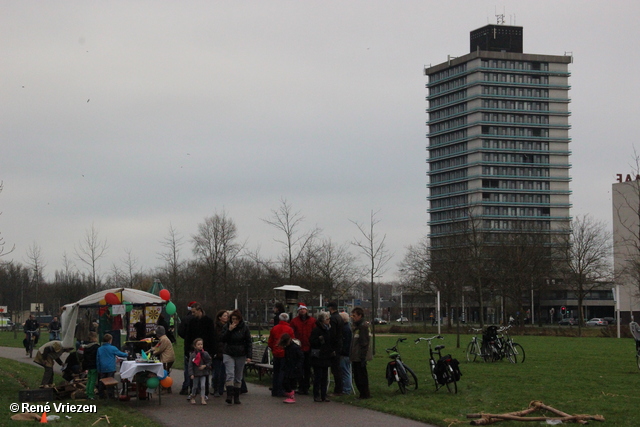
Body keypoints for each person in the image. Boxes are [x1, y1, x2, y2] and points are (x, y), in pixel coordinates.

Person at [183, 303, 216, 398]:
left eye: (194, 312)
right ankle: (193, 391)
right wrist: (187, 350)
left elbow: (212, 337)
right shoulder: (192, 322)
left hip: (206, 350)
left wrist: (212, 351)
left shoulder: (208, 321)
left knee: (204, 371)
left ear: (199, 311)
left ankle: (204, 392)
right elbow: (188, 337)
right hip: (194, 350)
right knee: (193, 370)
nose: (192, 314)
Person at [219, 309, 252, 405]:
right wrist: (229, 330)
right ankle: (229, 395)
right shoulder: (226, 326)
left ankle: (236, 397)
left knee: (238, 376)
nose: (234, 321)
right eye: (233, 319)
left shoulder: (244, 328)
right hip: (229, 352)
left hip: (240, 353)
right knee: (230, 374)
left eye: (236, 319)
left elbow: (248, 342)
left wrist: (249, 355)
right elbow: (222, 339)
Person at [290, 303, 315, 395]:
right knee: (299, 368)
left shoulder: (312, 321)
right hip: (298, 348)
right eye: (301, 310)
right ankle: (301, 386)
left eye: (304, 309)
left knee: (307, 368)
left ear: (306, 310)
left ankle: (306, 386)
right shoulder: (294, 321)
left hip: (308, 347)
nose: (302, 311)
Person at [268, 312, 295, 397]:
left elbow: (270, 341)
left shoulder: (274, 328)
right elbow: (292, 341)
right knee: (283, 372)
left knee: (276, 372)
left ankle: (275, 390)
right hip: (285, 353)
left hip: (276, 353)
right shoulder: (289, 329)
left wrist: (273, 349)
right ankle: (281, 389)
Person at [309, 311, 333, 402]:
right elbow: (312, 342)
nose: (329, 321)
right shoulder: (317, 330)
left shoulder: (328, 329)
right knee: (318, 376)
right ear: (322, 320)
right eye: (327, 319)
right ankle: (316, 394)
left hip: (326, 355)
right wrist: (319, 340)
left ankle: (324, 394)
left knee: (324, 377)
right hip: (318, 356)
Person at [96, 333, 128, 398]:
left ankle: (101, 395)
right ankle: (110, 395)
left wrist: (98, 369)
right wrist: (127, 354)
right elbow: (120, 354)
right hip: (110, 368)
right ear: (110, 340)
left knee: (102, 381)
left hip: (102, 367)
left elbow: (97, 359)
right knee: (110, 382)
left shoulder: (100, 349)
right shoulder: (112, 348)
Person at [350, 307, 372, 399]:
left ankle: (364, 394)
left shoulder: (362, 327)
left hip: (359, 356)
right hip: (357, 356)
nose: (352, 317)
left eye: (354, 316)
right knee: (358, 376)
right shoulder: (358, 326)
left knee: (360, 376)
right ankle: (363, 393)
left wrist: (362, 358)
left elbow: (364, 343)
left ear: (360, 315)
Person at [177, 301, 197, 395]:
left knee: (188, 367)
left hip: (188, 345)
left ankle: (186, 386)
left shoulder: (185, 319)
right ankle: (196, 387)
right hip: (198, 345)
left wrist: (186, 336)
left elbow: (180, 332)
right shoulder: (200, 319)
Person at [279, 333, 303, 404]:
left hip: (294, 367)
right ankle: (290, 394)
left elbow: (300, 357)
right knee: (285, 381)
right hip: (289, 366)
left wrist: (298, 366)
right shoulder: (288, 348)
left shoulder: (295, 348)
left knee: (290, 381)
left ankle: (291, 395)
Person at [188, 338, 212, 405]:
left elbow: (209, 361)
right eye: (198, 344)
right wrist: (191, 374)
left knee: (203, 386)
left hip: (203, 373)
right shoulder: (193, 355)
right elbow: (190, 365)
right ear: (195, 346)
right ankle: (193, 396)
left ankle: (202, 398)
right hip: (196, 373)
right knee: (195, 386)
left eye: (201, 344)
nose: (200, 346)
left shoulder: (205, 353)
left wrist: (205, 366)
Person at [326, 301, 344, 395]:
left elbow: (332, 334)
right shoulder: (339, 317)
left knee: (335, 369)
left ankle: (338, 390)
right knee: (337, 368)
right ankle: (339, 389)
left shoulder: (333, 318)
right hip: (339, 344)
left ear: (330, 308)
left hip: (334, 346)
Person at [153, 326, 176, 393]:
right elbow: (157, 346)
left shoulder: (163, 339)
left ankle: (165, 388)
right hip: (169, 358)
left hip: (167, 358)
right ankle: (168, 388)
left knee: (164, 373)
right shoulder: (164, 338)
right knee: (166, 372)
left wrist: (152, 353)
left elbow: (159, 349)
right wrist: (150, 350)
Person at [212, 309, 229, 397]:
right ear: (220, 317)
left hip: (226, 352)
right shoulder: (215, 327)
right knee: (217, 373)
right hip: (217, 352)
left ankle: (221, 389)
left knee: (223, 373)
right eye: (225, 316)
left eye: (227, 316)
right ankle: (216, 388)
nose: (226, 317)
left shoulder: (229, 327)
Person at [81, 331, 100, 399]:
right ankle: (91, 394)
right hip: (94, 365)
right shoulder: (96, 347)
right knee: (93, 380)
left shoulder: (86, 347)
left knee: (89, 379)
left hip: (88, 365)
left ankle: (87, 392)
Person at [339, 311, 353, 395]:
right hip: (347, 353)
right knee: (347, 371)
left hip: (345, 353)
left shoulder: (344, 329)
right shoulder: (348, 328)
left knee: (345, 371)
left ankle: (346, 389)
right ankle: (346, 388)